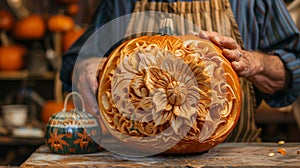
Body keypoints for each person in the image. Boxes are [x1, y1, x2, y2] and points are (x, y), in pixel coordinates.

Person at [60, 0, 300, 142]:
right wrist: (85, 65)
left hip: (234, 154)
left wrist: (255, 63)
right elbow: (74, 61)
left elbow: (294, 63)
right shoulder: (123, 2)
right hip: (138, 158)